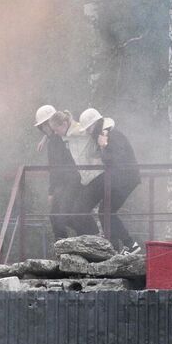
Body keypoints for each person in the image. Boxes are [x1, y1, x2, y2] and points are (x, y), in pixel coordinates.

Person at [77, 108, 141, 250]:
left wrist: (104, 146)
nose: (88, 132)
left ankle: (130, 245)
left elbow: (114, 160)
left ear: (96, 124)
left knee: (106, 212)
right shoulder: (107, 135)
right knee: (105, 212)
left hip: (125, 180)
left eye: (89, 128)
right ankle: (120, 246)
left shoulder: (112, 137)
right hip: (122, 179)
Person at [34, 105, 89, 241]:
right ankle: (69, 247)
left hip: (71, 182)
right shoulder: (56, 138)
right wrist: (45, 138)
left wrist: (51, 192)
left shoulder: (60, 138)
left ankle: (89, 237)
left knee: (64, 215)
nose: (43, 129)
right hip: (66, 182)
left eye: (44, 126)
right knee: (59, 216)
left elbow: (55, 168)